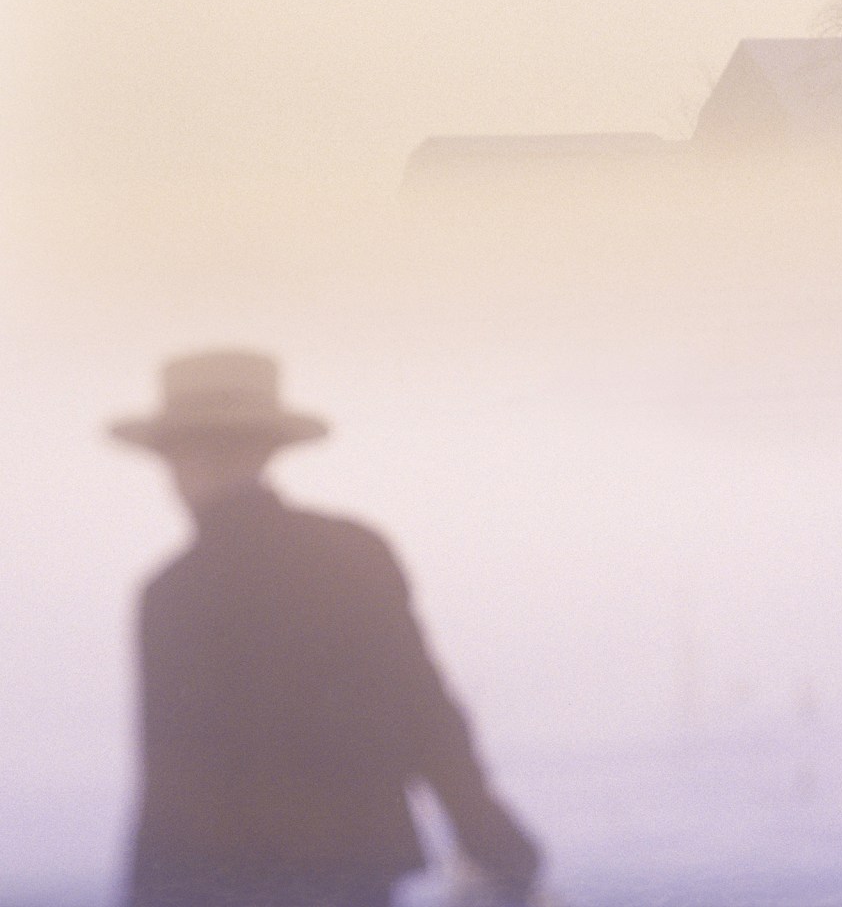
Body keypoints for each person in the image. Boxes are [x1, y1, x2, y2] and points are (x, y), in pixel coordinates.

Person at [110, 349, 541, 907]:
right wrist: (487, 833)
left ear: (176, 461)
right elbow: (422, 706)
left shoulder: (173, 594)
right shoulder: (351, 553)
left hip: (227, 881)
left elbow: (172, 778)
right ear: (266, 451)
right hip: (354, 871)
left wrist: (147, 895)